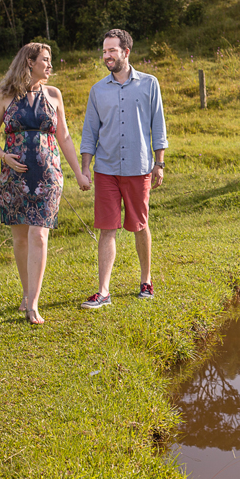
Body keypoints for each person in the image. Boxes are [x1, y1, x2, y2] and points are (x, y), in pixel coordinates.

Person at [0, 42, 91, 324]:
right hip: (14, 177)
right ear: (29, 62)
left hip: (48, 175)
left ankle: (33, 304)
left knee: (39, 235)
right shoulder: (6, 96)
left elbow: (64, 137)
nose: (50, 65)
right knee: (20, 238)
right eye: (45, 59)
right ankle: (26, 291)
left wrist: (79, 173)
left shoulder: (54, 95)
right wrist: (4, 156)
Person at [79, 28, 168, 307]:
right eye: (104, 51)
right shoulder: (97, 90)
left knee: (140, 226)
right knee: (107, 228)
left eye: (111, 51)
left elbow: (158, 127)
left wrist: (159, 163)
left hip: (138, 167)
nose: (106, 56)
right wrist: (85, 169)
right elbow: (89, 133)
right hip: (105, 169)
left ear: (126, 52)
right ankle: (103, 291)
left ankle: (146, 281)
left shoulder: (149, 84)